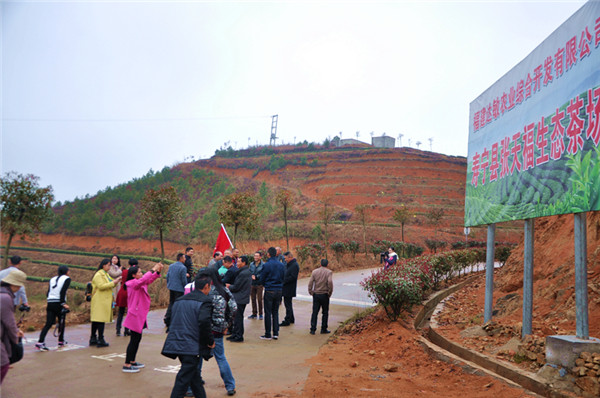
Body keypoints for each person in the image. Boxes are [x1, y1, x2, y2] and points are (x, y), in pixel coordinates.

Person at [161, 275, 214, 398]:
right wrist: (210, 341)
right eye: (209, 287)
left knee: (194, 376)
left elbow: (168, 319)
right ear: (206, 287)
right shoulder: (205, 301)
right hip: (191, 345)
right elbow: (204, 322)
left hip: (178, 342)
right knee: (183, 379)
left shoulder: (180, 300)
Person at [122, 262, 163, 373]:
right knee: (134, 340)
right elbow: (143, 280)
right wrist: (152, 269)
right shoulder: (131, 283)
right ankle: (127, 364)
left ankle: (132, 361)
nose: (141, 273)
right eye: (139, 272)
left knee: (137, 339)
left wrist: (157, 272)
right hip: (135, 314)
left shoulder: (139, 283)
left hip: (140, 314)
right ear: (134, 275)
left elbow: (148, 280)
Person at [36, 265, 71, 350]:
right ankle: (60, 341)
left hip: (50, 302)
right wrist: (63, 303)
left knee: (48, 323)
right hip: (59, 302)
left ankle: (40, 341)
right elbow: (63, 291)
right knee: (61, 322)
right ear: (66, 271)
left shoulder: (52, 279)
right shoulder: (67, 279)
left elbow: (48, 292)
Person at [1, 269, 26, 384]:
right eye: (18, 285)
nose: (19, 288)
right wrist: (15, 337)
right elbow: (9, 322)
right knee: (3, 365)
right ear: (13, 284)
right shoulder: (5, 298)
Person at [90, 258, 122, 347]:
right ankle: (100, 339)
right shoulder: (98, 275)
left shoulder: (105, 274)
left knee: (97, 320)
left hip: (103, 300)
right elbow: (101, 286)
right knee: (100, 320)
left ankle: (93, 338)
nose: (109, 267)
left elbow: (110, 282)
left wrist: (116, 282)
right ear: (103, 265)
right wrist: (113, 283)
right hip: (99, 300)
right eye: (108, 265)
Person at [259, 247, 285, 340]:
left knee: (268, 312)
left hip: (269, 290)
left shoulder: (267, 265)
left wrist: (265, 284)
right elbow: (283, 277)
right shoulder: (281, 265)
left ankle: (267, 333)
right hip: (278, 290)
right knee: (275, 312)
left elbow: (262, 278)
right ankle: (276, 333)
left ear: (268, 254)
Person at [227, 255, 252, 342]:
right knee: (236, 318)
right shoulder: (244, 271)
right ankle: (235, 334)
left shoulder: (243, 273)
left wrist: (229, 286)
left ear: (244, 263)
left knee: (238, 318)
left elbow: (236, 287)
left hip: (240, 298)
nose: (237, 263)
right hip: (241, 297)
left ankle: (239, 336)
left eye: (239, 262)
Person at [308, 259, 334, 335]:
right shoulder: (329, 272)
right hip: (324, 294)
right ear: (327, 265)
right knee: (325, 312)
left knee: (315, 312)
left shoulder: (314, 271)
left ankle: (313, 329)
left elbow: (310, 282)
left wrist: (310, 291)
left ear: (320, 264)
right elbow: (330, 282)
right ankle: (323, 328)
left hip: (316, 294)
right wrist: (329, 292)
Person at [165, 253, 187, 328]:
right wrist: (186, 287)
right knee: (178, 304)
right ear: (180, 258)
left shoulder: (171, 266)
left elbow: (167, 276)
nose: (185, 259)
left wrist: (169, 284)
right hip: (179, 289)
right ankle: (174, 321)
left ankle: (167, 318)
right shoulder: (183, 268)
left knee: (171, 303)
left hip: (171, 287)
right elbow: (183, 280)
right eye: (184, 258)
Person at [116, 258, 137, 337]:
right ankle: (126, 330)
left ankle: (118, 330)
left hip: (122, 292)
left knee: (120, 312)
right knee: (129, 312)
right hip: (130, 293)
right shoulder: (134, 273)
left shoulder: (124, 271)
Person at [280, 251, 299, 327]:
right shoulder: (289, 264)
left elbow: (293, 277)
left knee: (288, 304)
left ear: (290, 257)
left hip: (289, 288)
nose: (285, 260)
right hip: (286, 287)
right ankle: (291, 318)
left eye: (286, 258)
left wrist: (284, 281)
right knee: (288, 304)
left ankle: (287, 320)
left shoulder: (294, 265)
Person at [248, 252, 264, 320]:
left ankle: (260, 314)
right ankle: (254, 313)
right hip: (252, 284)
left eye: (257, 256)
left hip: (259, 284)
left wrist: (257, 277)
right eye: (255, 256)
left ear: (260, 257)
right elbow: (249, 271)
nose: (255, 257)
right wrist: (250, 276)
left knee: (259, 299)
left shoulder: (263, 265)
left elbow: (263, 274)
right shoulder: (251, 264)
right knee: (253, 299)